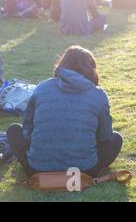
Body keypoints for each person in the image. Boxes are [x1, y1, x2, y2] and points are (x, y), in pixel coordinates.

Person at [6, 46, 122, 177]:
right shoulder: (98, 95)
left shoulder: (42, 88)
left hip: (37, 168)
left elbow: (28, 130)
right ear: (91, 69)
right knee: (116, 138)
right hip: (85, 170)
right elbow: (104, 136)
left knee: (14, 130)